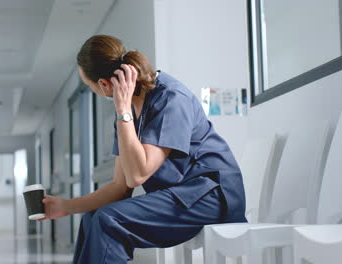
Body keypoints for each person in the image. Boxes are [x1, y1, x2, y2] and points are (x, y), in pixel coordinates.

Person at [37, 34, 247, 263]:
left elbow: (137, 175)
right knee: (93, 217)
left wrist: (123, 112)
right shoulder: (127, 115)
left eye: (90, 87)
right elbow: (120, 187)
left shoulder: (169, 99)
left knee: (110, 220)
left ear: (105, 85)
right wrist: (66, 207)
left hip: (212, 197)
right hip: (183, 197)